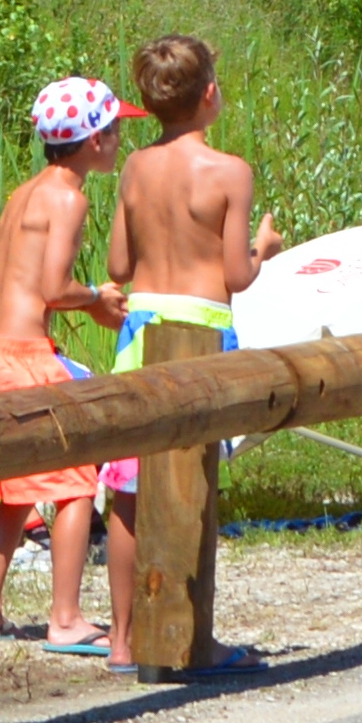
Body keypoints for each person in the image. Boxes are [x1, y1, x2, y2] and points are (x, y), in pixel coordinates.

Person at [103, 35, 285, 676]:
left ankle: (123, 642)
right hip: (204, 328)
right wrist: (264, 244)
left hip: (144, 328)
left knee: (128, 491)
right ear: (209, 93)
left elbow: (118, 266)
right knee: (194, 484)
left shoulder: (134, 169)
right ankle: (191, 638)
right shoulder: (231, 173)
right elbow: (237, 275)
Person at [0, 77, 138, 658]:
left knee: (18, 483)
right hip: (20, 354)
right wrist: (97, 298)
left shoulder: (25, 191)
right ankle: (65, 619)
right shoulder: (70, 197)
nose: (120, 141)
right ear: (92, 142)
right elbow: (53, 287)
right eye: (115, 131)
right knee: (75, 478)